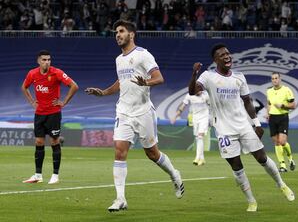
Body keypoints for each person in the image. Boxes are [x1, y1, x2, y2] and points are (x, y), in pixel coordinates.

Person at [85, 20, 184, 212]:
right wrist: (104, 93)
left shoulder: (143, 55)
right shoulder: (118, 59)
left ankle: (174, 175)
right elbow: (121, 82)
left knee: (152, 153)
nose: (117, 35)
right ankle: (120, 198)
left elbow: (159, 78)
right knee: (119, 151)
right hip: (123, 111)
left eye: (121, 31)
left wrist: (145, 82)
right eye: (116, 32)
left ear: (131, 34)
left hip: (143, 111)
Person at [188, 43, 295, 212]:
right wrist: (194, 74)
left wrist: (257, 124)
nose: (227, 56)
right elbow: (193, 91)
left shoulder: (239, 77)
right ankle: (251, 201)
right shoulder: (207, 76)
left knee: (262, 158)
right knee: (237, 167)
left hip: (243, 126)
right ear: (216, 59)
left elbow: (247, 101)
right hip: (224, 129)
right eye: (222, 55)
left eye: (228, 54)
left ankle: (282, 184)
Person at [21, 50, 79, 184]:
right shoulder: (32, 73)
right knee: (39, 142)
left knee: (54, 141)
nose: (47, 62)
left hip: (53, 113)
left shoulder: (57, 72)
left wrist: (64, 102)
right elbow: (24, 87)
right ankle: (38, 175)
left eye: (49, 60)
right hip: (39, 113)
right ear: (38, 61)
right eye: (44, 60)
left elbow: (74, 86)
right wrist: (31, 101)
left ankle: (55, 175)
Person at [266, 72, 296, 172]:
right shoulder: (269, 91)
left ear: (280, 79)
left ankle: (290, 158)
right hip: (273, 118)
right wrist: (268, 113)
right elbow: (269, 103)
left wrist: (283, 106)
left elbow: (293, 105)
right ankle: (282, 165)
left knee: (282, 141)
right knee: (276, 142)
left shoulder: (286, 90)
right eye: (273, 79)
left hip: (283, 117)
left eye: (276, 78)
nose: (274, 80)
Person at [171, 91, 210, 166]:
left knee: (200, 136)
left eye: (200, 89)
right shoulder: (189, 95)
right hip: (195, 118)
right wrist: (175, 117)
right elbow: (182, 107)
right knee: (198, 138)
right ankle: (202, 158)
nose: (199, 91)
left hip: (204, 117)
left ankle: (197, 158)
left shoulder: (206, 95)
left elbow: (212, 106)